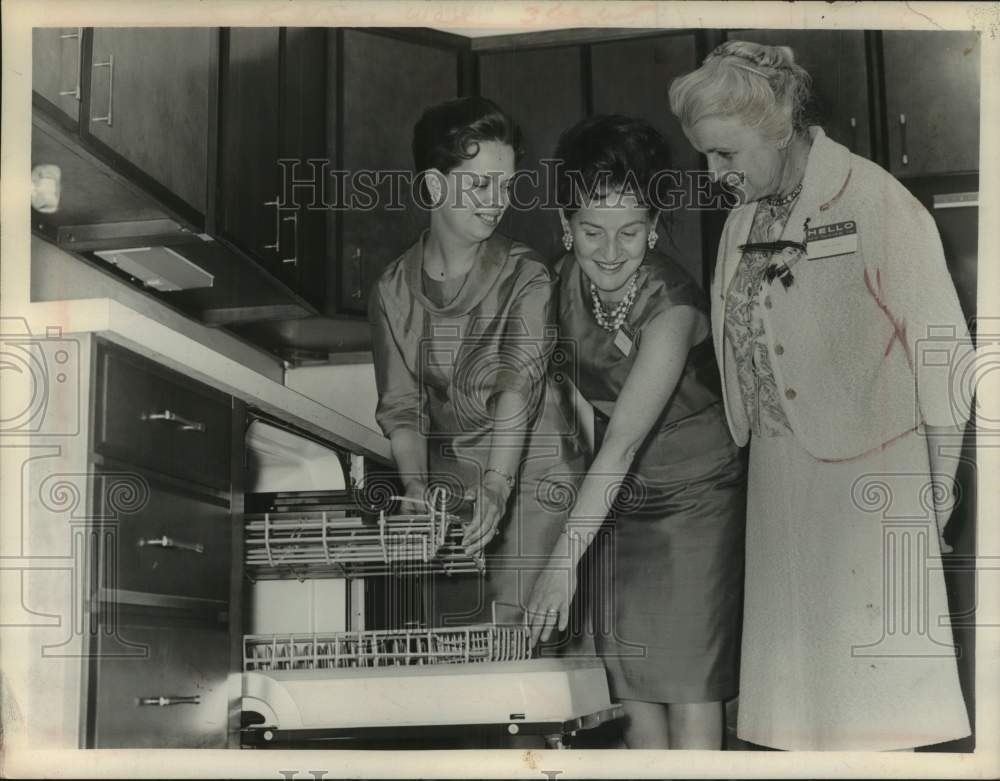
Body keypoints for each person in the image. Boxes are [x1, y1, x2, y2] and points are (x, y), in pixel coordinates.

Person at [668, 40, 973, 751]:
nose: (716, 174)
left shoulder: (874, 200)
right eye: (707, 157)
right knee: (799, 718)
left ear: (777, 127)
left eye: (725, 153)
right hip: (781, 482)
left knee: (876, 715)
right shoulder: (744, 220)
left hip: (873, 486)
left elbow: (943, 358)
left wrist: (936, 495)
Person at [526, 114, 747, 749]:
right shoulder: (558, 283)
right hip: (619, 497)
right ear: (564, 228)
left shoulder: (671, 305)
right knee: (631, 685)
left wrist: (562, 563)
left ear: (654, 229)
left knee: (689, 681)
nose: (611, 251)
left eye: (631, 232)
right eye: (591, 231)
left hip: (698, 494)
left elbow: (621, 437)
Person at [368, 96, 587, 633]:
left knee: (523, 645)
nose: (499, 202)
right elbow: (402, 408)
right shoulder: (390, 290)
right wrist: (416, 488)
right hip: (453, 491)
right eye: (482, 185)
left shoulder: (528, 274)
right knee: (459, 648)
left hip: (534, 479)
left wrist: (495, 484)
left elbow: (518, 387)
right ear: (436, 186)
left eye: (507, 185)